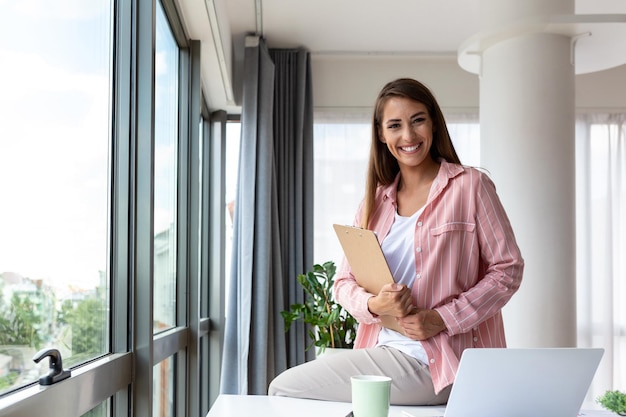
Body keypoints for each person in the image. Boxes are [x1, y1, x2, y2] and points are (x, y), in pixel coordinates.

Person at [268, 78, 524, 405]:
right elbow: (344, 283)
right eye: (395, 125)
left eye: (418, 120)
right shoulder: (373, 204)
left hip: (442, 363)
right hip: (382, 349)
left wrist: (442, 318)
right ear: (381, 134)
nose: (408, 135)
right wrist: (376, 305)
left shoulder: (471, 186)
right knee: (288, 390)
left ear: (433, 123)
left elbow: (508, 270)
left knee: (283, 389)